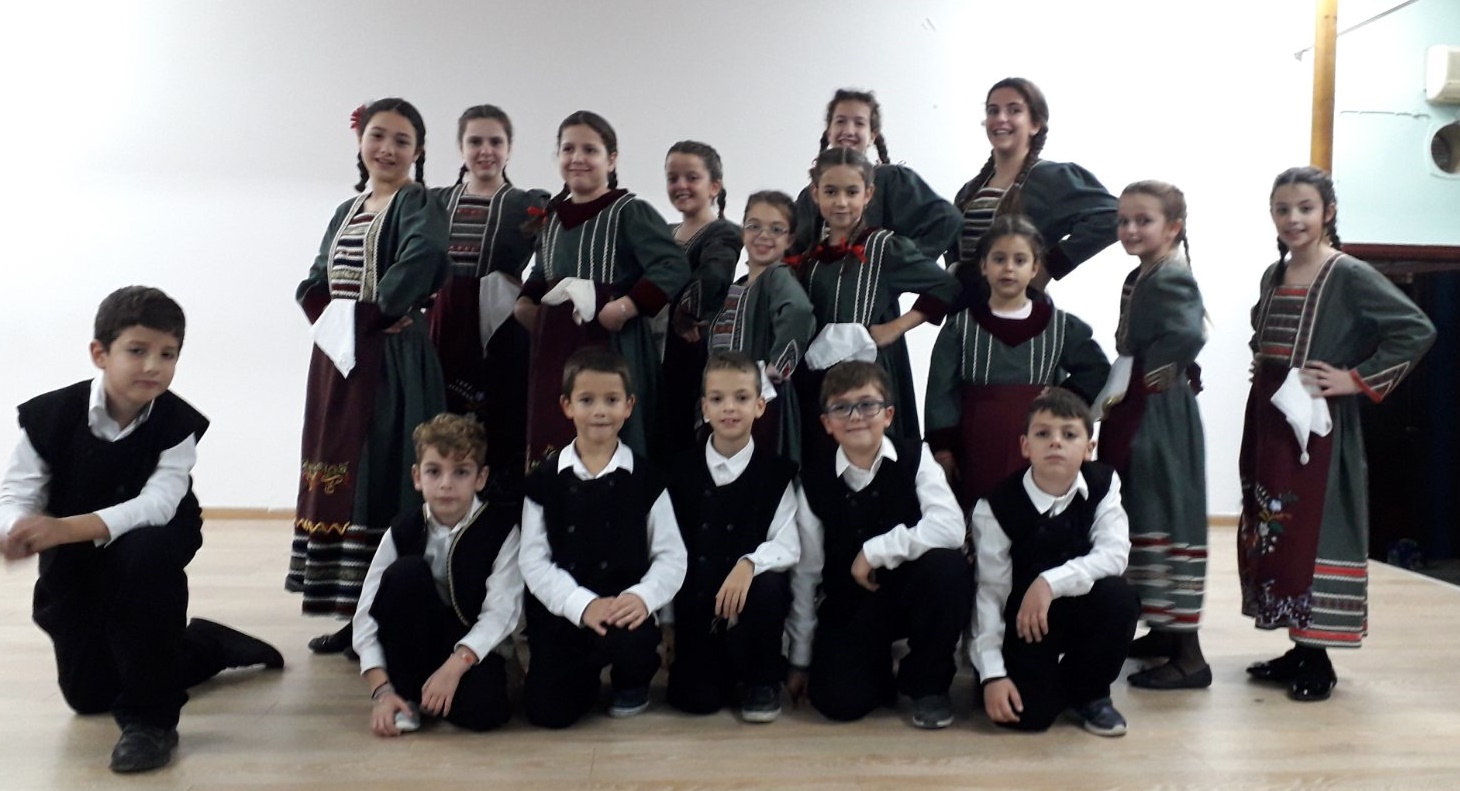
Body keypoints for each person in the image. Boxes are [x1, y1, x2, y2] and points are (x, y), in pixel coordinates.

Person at [0, 286, 283, 773]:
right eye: (137, 350)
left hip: (156, 535)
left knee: (143, 558)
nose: (153, 366)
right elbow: (18, 491)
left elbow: (157, 505)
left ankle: (152, 723)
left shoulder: (177, 423)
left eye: (168, 354)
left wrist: (65, 528)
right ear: (100, 353)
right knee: (91, 697)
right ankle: (207, 645)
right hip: (76, 554)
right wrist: (19, 528)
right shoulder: (50, 415)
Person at [1239, 166, 1435, 702]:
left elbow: (1415, 329)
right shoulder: (1274, 274)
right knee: (1277, 526)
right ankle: (1298, 647)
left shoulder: (1348, 273)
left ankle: (1318, 657)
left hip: (1318, 428)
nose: (1293, 219)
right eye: (1282, 209)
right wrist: (1265, 362)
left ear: (1328, 212)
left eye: (1305, 208)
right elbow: (1264, 330)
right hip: (1272, 418)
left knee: (1318, 528)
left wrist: (1354, 378)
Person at [292, 98, 449, 655]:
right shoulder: (347, 209)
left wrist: (368, 317)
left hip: (391, 359)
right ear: (360, 142)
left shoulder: (417, 203)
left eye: (401, 140)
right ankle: (352, 611)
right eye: (378, 136)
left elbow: (420, 260)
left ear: (418, 151)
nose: (387, 149)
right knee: (346, 474)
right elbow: (315, 279)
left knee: (382, 470)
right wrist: (335, 320)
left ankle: (389, 615)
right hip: (339, 360)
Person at [786, 361, 968, 729]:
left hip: (910, 592)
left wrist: (874, 551)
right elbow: (806, 574)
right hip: (851, 604)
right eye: (841, 407)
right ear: (827, 423)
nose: (856, 416)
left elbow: (952, 528)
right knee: (837, 703)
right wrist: (800, 660)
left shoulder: (916, 458)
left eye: (867, 404)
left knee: (948, 567)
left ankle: (928, 684)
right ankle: (876, 671)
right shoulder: (813, 481)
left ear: (888, 415)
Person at [517, 348, 687, 727]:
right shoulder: (543, 482)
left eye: (611, 400)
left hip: (623, 611)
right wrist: (581, 605)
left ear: (628, 406)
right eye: (587, 400)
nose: (599, 411)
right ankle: (581, 678)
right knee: (548, 713)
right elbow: (532, 559)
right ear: (567, 406)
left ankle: (631, 682)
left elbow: (671, 556)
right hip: (565, 615)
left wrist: (641, 597)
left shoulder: (647, 479)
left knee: (634, 641)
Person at [514, 111, 689, 468]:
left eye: (590, 150)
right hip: (556, 349)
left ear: (611, 159)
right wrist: (525, 302)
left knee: (614, 438)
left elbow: (672, 265)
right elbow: (542, 273)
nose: (577, 158)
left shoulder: (629, 212)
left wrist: (626, 306)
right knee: (556, 431)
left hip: (614, 344)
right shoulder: (552, 218)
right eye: (568, 149)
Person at [1095, 181, 1211, 689]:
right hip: (1140, 403)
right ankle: (1163, 631)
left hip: (1159, 411)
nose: (1130, 229)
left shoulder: (1170, 276)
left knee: (1167, 511)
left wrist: (1156, 375)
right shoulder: (1141, 275)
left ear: (1173, 227)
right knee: (1141, 509)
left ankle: (1190, 656)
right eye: (1124, 220)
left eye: (1143, 220)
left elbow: (1188, 332)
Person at [971, 388, 1140, 736]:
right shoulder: (995, 506)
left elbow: (1114, 554)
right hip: (1024, 621)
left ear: (1089, 448)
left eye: (1069, 434)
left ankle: (1090, 693)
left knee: (1118, 596)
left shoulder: (1103, 484)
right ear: (1025, 445)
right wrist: (992, 675)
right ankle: (1034, 682)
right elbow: (989, 594)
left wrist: (1049, 582)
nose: (1055, 442)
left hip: (1078, 607)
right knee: (1028, 718)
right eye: (1043, 433)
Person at [353, 413, 522, 736]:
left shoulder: (501, 530)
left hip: (469, 646)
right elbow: (366, 615)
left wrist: (454, 668)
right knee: (405, 573)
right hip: (414, 640)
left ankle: (437, 690)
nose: (446, 484)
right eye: (434, 471)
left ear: (481, 478)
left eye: (461, 472)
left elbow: (502, 612)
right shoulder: (402, 530)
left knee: (484, 712)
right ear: (417, 477)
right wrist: (382, 689)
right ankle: (404, 695)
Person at [925, 214, 1109, 511]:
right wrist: (943, 449)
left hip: (1041, 439)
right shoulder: (960, 327)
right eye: (999, 259)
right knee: (982, 513)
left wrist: (1064, 397)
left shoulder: (1060, 326)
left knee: (1035, 512)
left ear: (1034, 268)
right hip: (977, 441)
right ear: (983, 266)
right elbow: (940, 392)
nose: (1009, 268)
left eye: (1020, 260)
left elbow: (1096, 369)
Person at [665, 352, 799, 722]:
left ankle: (762, 680)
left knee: (770, 582)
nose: (729, 408)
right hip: (697, 611)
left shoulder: (778, 473)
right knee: (697, 702)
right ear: (704, 407)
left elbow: (788, 544)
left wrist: (749, 564)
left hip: (752, 614)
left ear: (759, 405)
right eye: (718, 398)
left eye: (741, 398)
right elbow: (667, 551)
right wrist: (667, 623)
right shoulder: (679, 472)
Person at [796, 147, 959, 452]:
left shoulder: (884, 248)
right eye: (831, 191)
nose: (841, 202)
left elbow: (947, 287)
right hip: (820, 385)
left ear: (868, 194)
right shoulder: (810, 258)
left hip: (870, 381)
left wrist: (895, 327)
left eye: (851, 192)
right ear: (815, 194)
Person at [427, 104, 549, 497]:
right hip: (445, 323)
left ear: (509, 148)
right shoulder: (434, 202)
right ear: (460, 147)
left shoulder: (527, 204)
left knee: (503, 418)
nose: (485, 150)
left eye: (495, 141)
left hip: (502, 327)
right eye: (475, 141)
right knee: (442, 417)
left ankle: (499, 509)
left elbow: (552, 258)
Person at [949, 77, 1117, 302]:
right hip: (966, 314)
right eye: (993, 111)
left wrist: (1049, 266)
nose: (1001, 118)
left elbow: (1112, 217)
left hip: (1020, 314)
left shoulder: (1053, 178)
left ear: (1035, 124)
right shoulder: (969, 191)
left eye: (1014, 110)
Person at [707, 190, 815, 463]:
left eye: (776, 229)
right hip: (729, 401)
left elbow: (799, 312)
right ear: (743, 231)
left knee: (761, 466)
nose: (763, 235)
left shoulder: (777, 276)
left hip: (763, 402)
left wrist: (777, 366)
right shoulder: (740, 284)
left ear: (789, 239)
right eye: (754, 226)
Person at [792, 88, 961, 259]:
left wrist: (902, 263)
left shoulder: (893, 180)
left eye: (859, 123)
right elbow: (791, 249)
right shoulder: (808, 197)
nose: (849, 130)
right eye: (840, 121)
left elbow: (948, 220)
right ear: (829, 132)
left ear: (872, 136)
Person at [660, 141, 743, 458]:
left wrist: (683, 310)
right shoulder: (663, 233)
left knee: (684, 438)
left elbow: (713, 276)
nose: (681, 185)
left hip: (694, 349)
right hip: (656, 350)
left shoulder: (724, 232)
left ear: (714, 187)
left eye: (692, 177)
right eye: (673, 178)